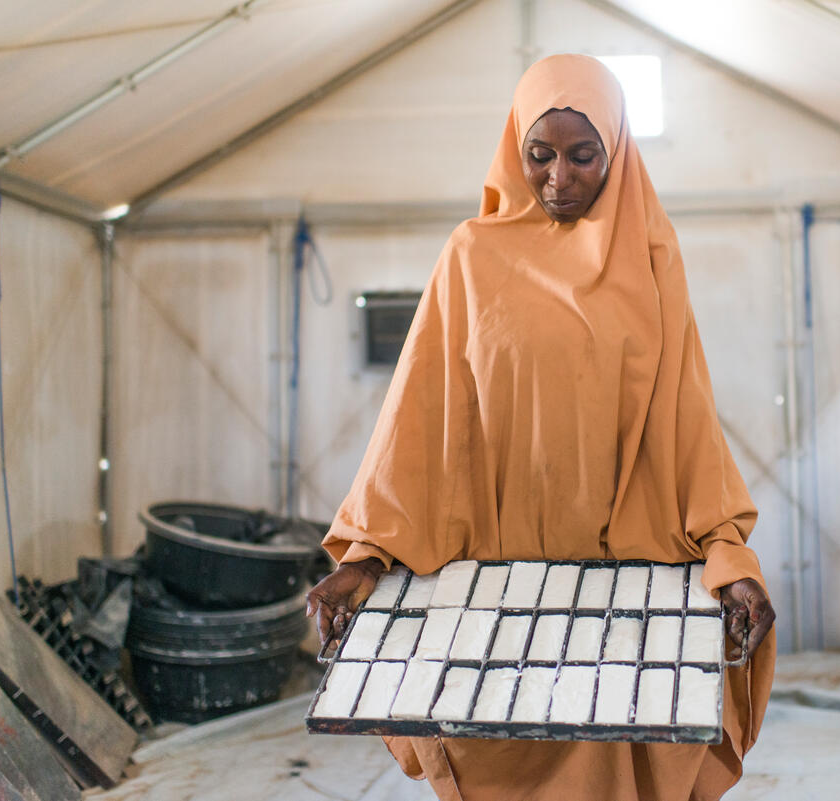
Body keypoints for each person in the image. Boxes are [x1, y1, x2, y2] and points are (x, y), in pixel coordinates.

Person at [306, 53, 775, 801]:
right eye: (540, 155)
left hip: (624, 600)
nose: (560, 177)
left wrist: (728, 554)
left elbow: (683, 416)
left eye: (583, 156)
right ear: (513, 150)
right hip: (490, 605)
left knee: (619, 751)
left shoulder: (651, 256)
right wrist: (366, 557)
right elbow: (421, 420)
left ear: (616, 152)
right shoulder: (469, 258)